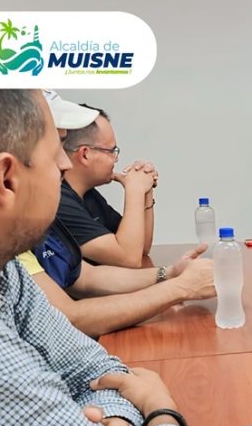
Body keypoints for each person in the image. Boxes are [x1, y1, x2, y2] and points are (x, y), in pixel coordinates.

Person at [0, 89, 201, 426]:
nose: (66, 166)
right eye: (55, 154)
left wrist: (113, 419)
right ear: (6, 179)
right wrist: (159, 408)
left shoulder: (5, 271)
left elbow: (95, 367)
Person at [14, 91, 215, 338]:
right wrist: (180, 287)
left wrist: (171, 273)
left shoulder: (35, 216)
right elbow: (73, 316)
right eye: (54, 148)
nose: (65, 163)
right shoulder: (53, 204)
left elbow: (86, 278)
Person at [55, 103, 157, 267]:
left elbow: (141, 247)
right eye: (111, 151)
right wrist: (135, 190)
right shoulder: (59, 201)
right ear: (85, 154)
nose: (116, 159)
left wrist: (146, 190)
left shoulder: (88, 195)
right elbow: (129, 258)